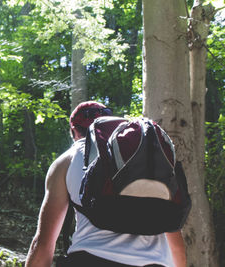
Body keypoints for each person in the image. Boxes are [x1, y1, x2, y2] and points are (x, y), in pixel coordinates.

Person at [25, 101, 186, 267]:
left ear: (73, 130)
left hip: (89, 260)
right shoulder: (145, 160)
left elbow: (44, 244)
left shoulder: (65, 162)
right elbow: (177, 247)